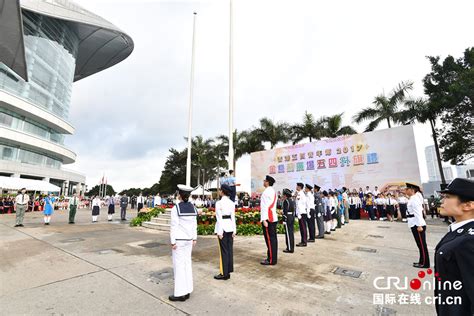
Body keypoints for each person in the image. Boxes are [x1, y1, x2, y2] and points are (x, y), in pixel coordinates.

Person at [434, 178, 474, 315]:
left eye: (448, 197)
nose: (442, 201)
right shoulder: (459, 231)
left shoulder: (468, 241)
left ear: (468, 205)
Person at [169, 184, 197, 302]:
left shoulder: (176, 208)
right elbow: (194, 224)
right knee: (187, 264)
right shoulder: (193, 207)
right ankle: (187, 290)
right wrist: (194, 238)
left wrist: (172, 241)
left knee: (179, 266)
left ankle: (180, 293)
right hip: (189, 240)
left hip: (179, 241)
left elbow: (174, 226)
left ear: (179, 195)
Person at [214, 184, 236, 280]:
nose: (219, 191)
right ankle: (228, 271)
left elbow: (219, 218)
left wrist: (219, 232)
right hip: (230, 227)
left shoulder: (219, 203)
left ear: (222, 192)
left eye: (220, 190)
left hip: (222, 228)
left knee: (223, 251)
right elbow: (233, 217)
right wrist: (234, 230)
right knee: (229, 250)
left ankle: (224, 273)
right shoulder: (231, 203)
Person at [405, 183, 429, 268]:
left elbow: (418, 212)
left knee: (422, 245)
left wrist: (419, 225)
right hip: (414, 223)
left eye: (407, 189)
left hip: (417, 224)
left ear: (412, 190)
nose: (405, 190)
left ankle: (425, 263)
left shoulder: (415, 198)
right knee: (420, 245)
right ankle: (421, 261)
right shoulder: (413, 198)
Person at [260, 175, 278, 265]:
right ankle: (272, 258)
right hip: (272, 217)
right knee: (273, 239)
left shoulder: (266, 192)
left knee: (270, 240)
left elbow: (265, 207)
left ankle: (271, 259)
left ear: (267, 182)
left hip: (268, 218)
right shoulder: (272, 191)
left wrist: (264, 219)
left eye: (264, 180)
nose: (263, 182)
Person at [282, 188, 295, 253]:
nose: (282, 196)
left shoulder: (286, 201)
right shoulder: (291, 200)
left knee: (288, 233)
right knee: (291, 232)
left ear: (285, 195)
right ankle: (291, 247)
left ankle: (289, 248)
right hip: (291, 216)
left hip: (287, 217)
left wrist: (284, 219)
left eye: (283, 194)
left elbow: (285, 211)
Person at [295, 182, 308, 246]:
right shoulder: (300, 193)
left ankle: (304, 241)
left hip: (302, 213)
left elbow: (300, 204)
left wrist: (299, 213)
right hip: (301, 212)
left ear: (299, 187)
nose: (296, 187)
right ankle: (303, 240)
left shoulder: (300, 194)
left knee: (303, 228)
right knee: (302, 227)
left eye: (297, 186)